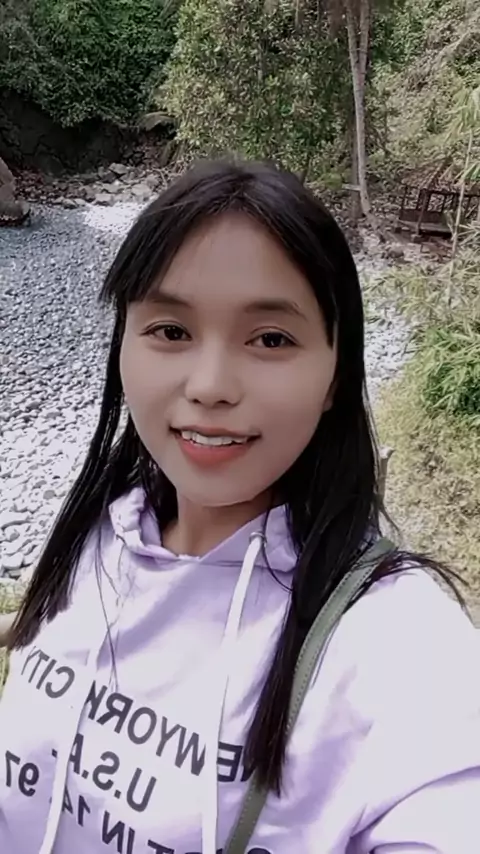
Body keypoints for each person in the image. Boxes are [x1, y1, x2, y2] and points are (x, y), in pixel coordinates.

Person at [1, 159, 479, 854]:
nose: (210, 385)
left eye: (271, 339)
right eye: (171, 331)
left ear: (335, 377)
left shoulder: (400, 645)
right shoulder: (100, 534)